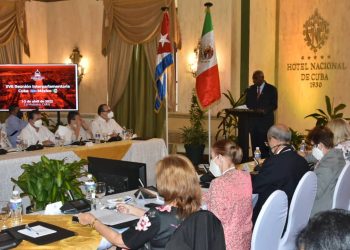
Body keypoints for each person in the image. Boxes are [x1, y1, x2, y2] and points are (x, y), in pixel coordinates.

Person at [78, 154, 202, 250]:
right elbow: (168, 220)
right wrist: (135, 211)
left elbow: (119, 240)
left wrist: (93, 221)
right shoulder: (196, 210)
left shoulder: (156, 216)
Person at [252, 124, 309, 223]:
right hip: (296, 214)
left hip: (273, 218)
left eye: (268, 141)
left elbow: (255, 186)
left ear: (273, 140)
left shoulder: (274, 162)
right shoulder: (302, 161)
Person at [203, 139, 252, 250]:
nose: (211, 162)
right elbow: (232, 197)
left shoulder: (219, 183)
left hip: (225, 242)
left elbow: (214, 220)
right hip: (244, 239)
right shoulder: (245, 176)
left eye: (212, 158)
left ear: (219, 158)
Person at [306, 126, 345, 216]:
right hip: (332, 202)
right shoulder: (336, 155)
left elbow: (314, 193)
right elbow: (315, 157)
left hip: (320, 212)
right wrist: (302, 158)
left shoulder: (327, 166)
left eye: (312, 146)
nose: (312, 149)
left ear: (320, 145)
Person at [246, 70, 278, 158]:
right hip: (253, 124)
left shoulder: (271, 89)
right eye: (253, 79)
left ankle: (265, 165)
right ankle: (255, 165)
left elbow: (274, 105)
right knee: (255, 147)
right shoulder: (250, 89)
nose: (254, 81)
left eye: (256, 78)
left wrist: (265, 110)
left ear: (262, 78)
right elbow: (247, 104)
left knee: (264, 147)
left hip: (265, 123)